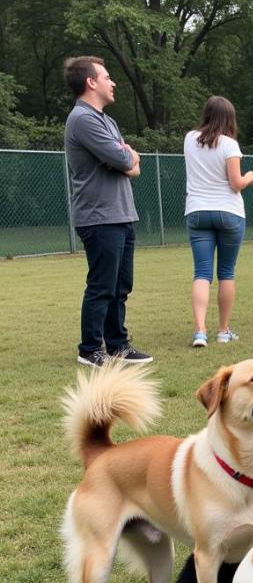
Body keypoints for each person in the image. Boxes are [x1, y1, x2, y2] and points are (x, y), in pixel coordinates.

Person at [63, 56, 152, 367]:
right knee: (102, 285)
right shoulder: (82, 119)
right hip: (99, 218)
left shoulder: (107, 121)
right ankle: (90, 349)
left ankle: (118, 345)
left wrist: (128, 159)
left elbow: (128, 163)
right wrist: (128, 159)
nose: (113, 82)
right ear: (91, 82)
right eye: (107, 77)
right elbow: (127, 161)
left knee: (121, 285)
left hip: (121, 214)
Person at [184, 95, 253, 347]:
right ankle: (223, 330)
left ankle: (200, 331)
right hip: (229, 212)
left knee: (201, 273)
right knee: (226, 272)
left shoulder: (189, 139)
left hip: (196, 212)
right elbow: (235, 183)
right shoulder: (230, 144)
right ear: (229, 118)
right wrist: (249, 176)